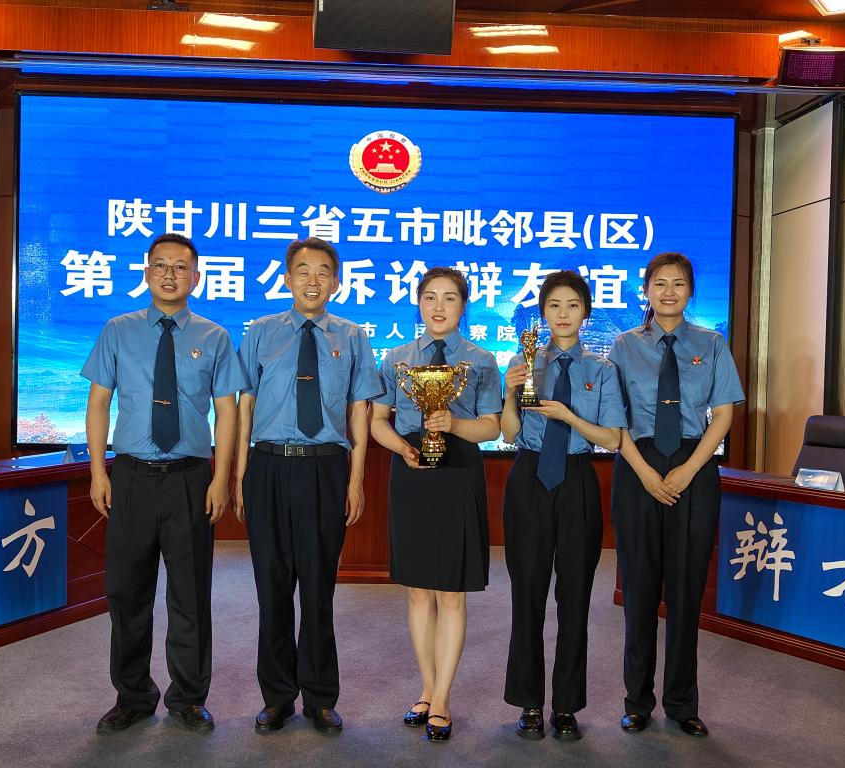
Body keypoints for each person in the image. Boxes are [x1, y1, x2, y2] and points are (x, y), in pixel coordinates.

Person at [83, 232, 244, 734]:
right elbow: (98, 403)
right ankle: (132, 695)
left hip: (189, 480)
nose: (170, 275)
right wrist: (98, 471)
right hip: (130, 476)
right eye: (161, 265)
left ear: (196, 277)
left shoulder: (215, 337)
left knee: (190, 595)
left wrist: (220, 478)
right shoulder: (118, 330)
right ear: (147, 272)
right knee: (127, 593)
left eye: (181, 267)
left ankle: (189, 697)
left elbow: (227, 412)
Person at [234, 236, 381, 735]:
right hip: (269, 467)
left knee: (319, 589)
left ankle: (320, 697)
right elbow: (244, 407)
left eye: (322, 272)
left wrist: (355, 480)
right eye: (303, 271)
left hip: (325, 467)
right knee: (272, 587)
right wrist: (240, 476)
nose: (312, 280)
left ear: (336, 282)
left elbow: (359, 411)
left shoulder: (352, 336)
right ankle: (277, 697)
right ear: (287, 278)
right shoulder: (261, 332)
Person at [607, 251, 744, 737]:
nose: (668, 291)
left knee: (686, 592)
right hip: (637, 464)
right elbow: (613, 417)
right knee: (640, 590)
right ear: (646, 289)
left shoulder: (712, 343)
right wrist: (645, 472)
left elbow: (723, 414)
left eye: (679, 283)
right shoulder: (624, 345)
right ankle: (637, 702)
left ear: (690, 291)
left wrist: (689, 468)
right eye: (660, 283)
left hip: (694, 464)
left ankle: (683, 703)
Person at [370, 266, 501, 742]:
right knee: (418, 592)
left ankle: (442, 698)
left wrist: (454, 425)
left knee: (450, 593)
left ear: (463, 306)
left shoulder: (481, 360)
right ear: (419, 303)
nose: (439, 306)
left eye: (449, 298)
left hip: (459, 472)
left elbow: (493, 426)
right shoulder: (397, 358)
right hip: (412, 470)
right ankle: (427, 689)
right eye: (430, 297)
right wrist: (403, 449)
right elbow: (377, 421)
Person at [499, 270, 625, 741]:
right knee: (527, 594)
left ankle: (566, 706)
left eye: (572, 305)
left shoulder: (601, 370)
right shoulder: (523, 361)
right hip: (528, 476)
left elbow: (611, 438)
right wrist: (510, 392)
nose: (563, 314)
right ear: (543, 313)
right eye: (554, 306)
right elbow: (508, 433)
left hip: (577, 479)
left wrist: (568, 416)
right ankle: (529, 703)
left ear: (585, 313)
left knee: (574, 598)